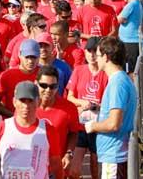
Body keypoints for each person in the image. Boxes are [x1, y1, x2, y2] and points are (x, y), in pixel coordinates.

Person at [0, 81, 63, 179]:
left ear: (38, 102)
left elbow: (56, 164)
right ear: (14, 102)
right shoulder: (1, 128)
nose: (26, 106)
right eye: (22, 101)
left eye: (30, 101)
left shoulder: (48, 131)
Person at [85, 37, 137, 178]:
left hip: (113, 155)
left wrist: (92, 126)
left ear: (106, 57)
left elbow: (114, 124)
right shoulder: (121, 80)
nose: (96, 58)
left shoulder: (117, 83)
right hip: (114, 154)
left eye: (98, 55)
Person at [66, 37, 108, 179]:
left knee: (95, 165)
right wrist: (81, 102)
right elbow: (69, 97)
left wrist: (96, 106)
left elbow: (110, 103)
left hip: (98, 124)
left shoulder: (106, 73)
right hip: (81, 125)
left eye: (95, 52)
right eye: (89, 51)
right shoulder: (78, 70)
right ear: (84, 53)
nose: (92, 55)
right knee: (75, 169)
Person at [35, 65, 82, 177]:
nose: (48, 90)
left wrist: (68, 154)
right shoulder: (26, 106)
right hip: (32, 166)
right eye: (43, 85)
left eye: (53, 86)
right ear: (35, 83)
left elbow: (74, 132)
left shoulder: (69, 108)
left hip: (56, 168)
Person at [0, 39, 41, 117]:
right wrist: (13, 117)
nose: (30, 61)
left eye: (34, 57)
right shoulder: (7, 75)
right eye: (27, 57)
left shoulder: (43, 74)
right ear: (20, 55)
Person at [116, 0, 141, 77]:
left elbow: (119, 19)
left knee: (129, 69)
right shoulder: (137, 4)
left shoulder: (131, 5)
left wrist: (120, 18)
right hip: (132, 41)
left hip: (129, 41)